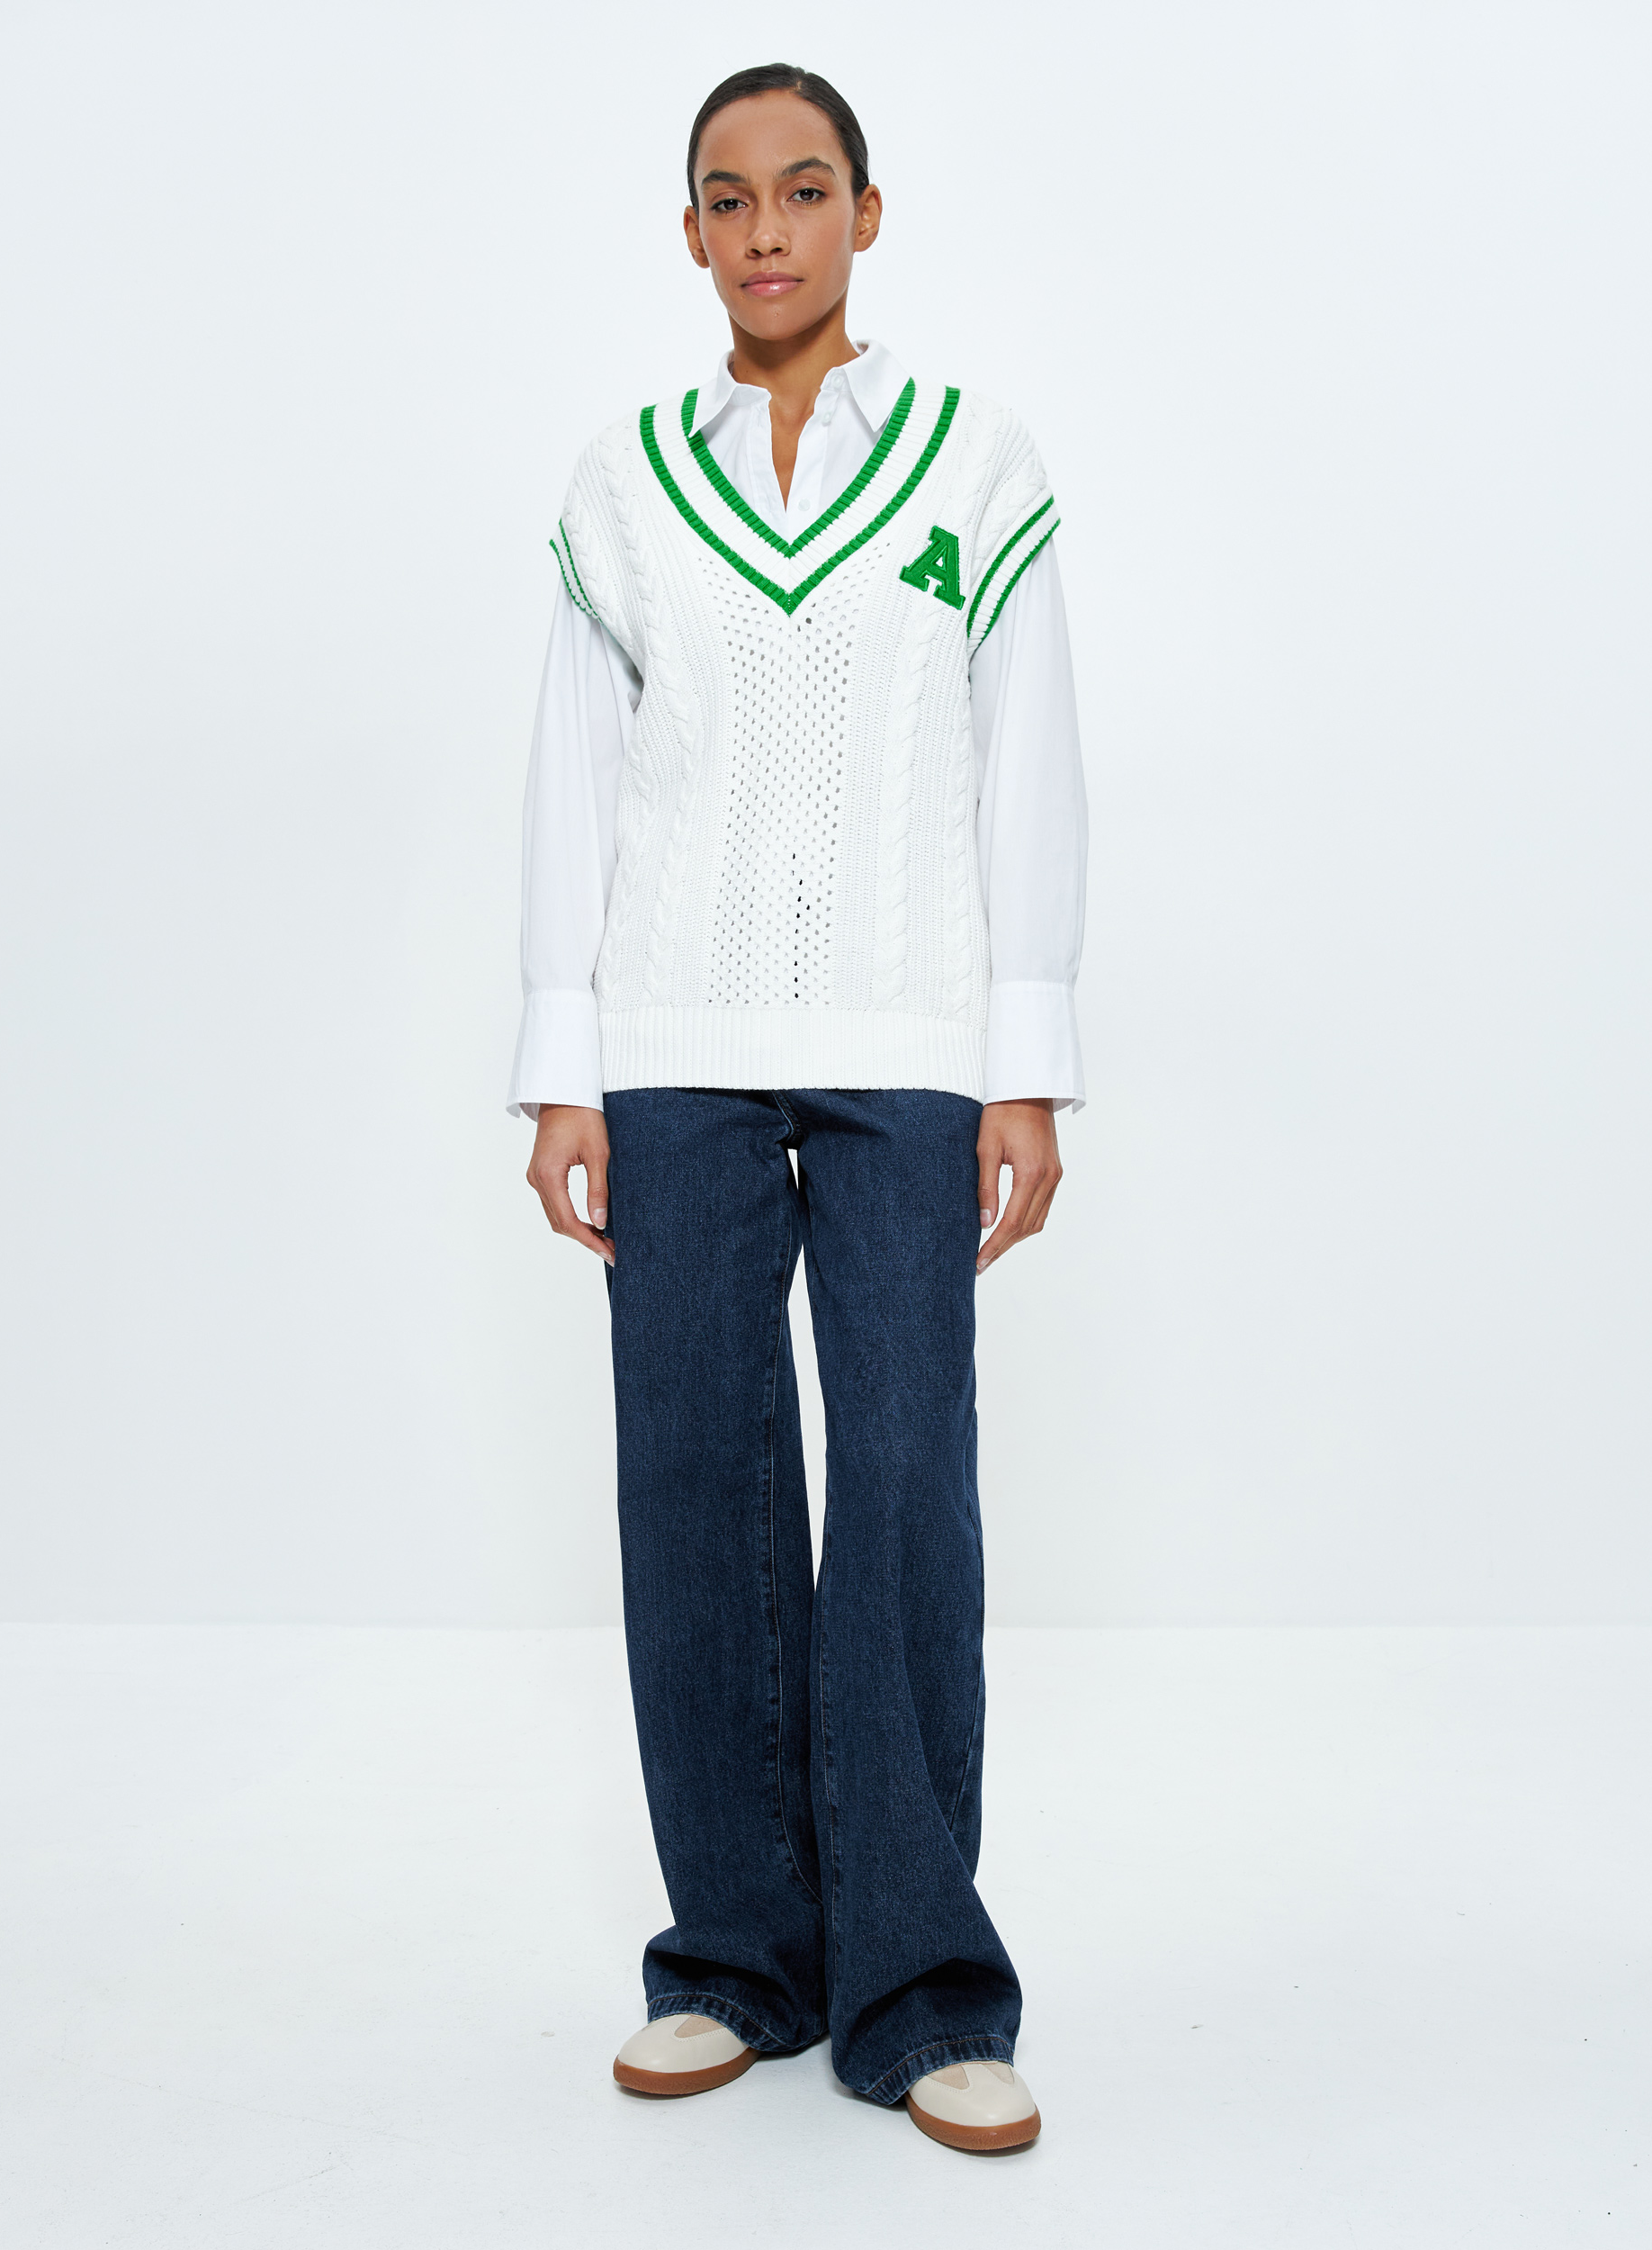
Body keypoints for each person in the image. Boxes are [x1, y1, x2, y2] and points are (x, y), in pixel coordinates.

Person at [509, 62, 1086, 2155]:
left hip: (905, 1032)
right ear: (689, 233)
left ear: (864, 212)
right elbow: (573, 769)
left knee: (906, 1474)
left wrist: (1025, 1057)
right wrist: (556, 1065)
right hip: (667, 1035)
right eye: (729, 197)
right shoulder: (624, 481)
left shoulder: (971, 460)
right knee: (695, 1475)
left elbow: (1026, 753)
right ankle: (735, 1955)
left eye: (804, 189)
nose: (767, 230)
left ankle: (922, 1984)